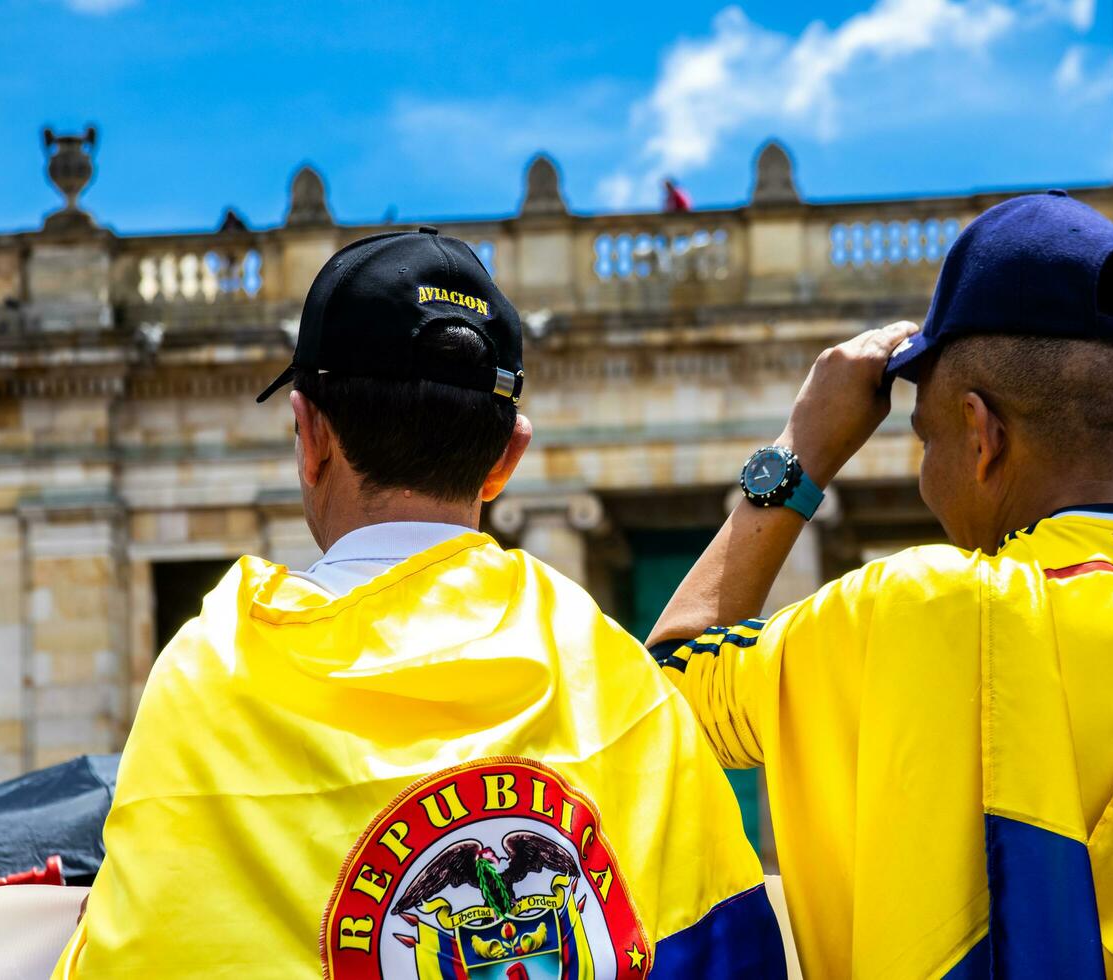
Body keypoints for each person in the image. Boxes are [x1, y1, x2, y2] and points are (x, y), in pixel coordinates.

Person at [647, 192, 1113, 978]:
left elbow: (665, 699)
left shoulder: (919, 610)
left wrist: (799, 453)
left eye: (927, 440)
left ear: (982, 434)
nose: (927, 476)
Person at [55, 229, 784, 978]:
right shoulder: (613, 673)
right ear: (508, 456)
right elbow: (724, 946)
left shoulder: (211, 672)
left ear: (309, 436)